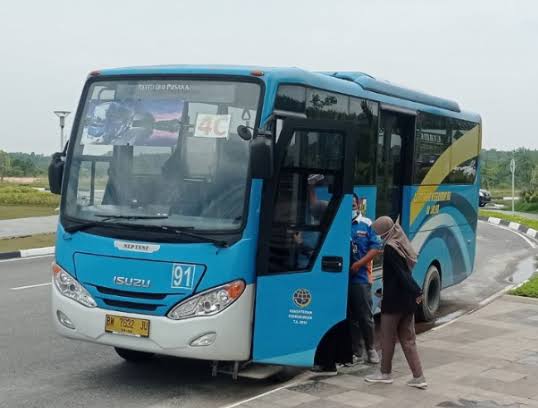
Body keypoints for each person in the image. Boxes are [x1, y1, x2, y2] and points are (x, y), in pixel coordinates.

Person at [365, 216, 427, 389]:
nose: (376, 236)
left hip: (394, 303)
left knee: (387, 338)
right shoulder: (399, 243)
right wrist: (415, 293)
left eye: (377, 233)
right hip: (406, 301)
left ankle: (385, 373)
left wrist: (417, 290)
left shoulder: (391, 249)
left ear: (383, 233)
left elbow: (402, 275)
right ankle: (419, 377)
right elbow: (401, 275)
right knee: (408, 340)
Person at [348, 194, 383, 365]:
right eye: (349, 204)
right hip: (340, 279)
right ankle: (356, 352)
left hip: (360, 278)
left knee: (364, 315)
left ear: (359, 205)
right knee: (350, 317)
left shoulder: (367, 224)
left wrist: (359, 264)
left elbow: (376, 248)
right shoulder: (339, 223)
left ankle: (371, 349)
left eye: (354, 204)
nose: (352, 207)